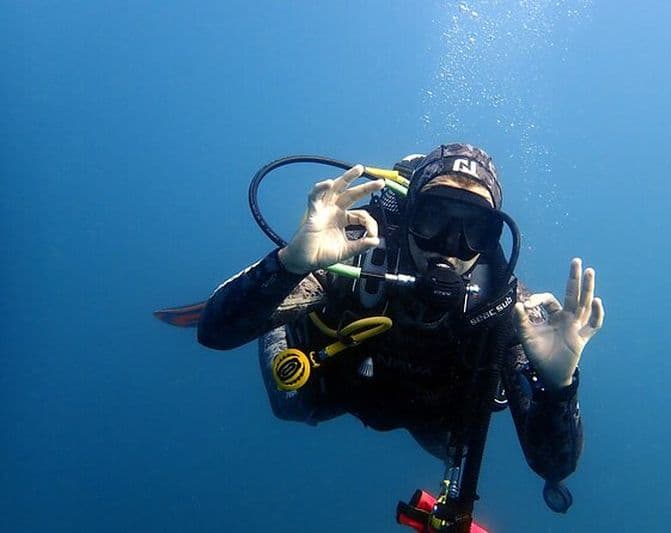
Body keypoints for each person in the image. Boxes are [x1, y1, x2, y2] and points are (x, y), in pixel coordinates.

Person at [196, 143, 604, 508]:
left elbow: (554, 466)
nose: (449, 244)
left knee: (452, 447)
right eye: (434, 217)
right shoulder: (353, 251)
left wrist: (559, 386)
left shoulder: (507, 309)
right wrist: (289, 266)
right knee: (290, 404)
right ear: (409, 213)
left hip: (430, 415)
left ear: (493, 236)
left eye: (474, 229)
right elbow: (214, 333)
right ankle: (278, 313)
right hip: (339, 381)